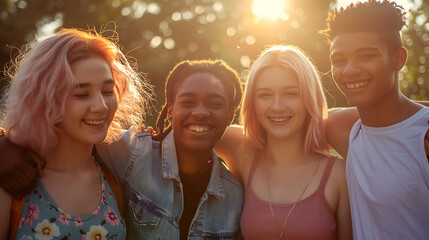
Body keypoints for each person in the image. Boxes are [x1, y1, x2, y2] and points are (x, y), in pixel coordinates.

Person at [0, 28, 152, 240]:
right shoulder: (11, 183)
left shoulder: (115, 179)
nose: (101, 106)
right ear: (43, 99)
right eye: (81, 94)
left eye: (108, 91)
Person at [88, 59, 245, 239]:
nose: (200, 112)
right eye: (188, 102)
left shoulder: (236, 197)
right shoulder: (132, 152)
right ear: (170, 109)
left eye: (215, 104)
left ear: (230, 114)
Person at [215, 45, 352, 239]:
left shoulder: (339, 174)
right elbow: (191, 131)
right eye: (265, 95)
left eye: (291, 93)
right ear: (253, 102)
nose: (277, 106)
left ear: (309, 98)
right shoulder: (241, 151)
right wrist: (155, 136)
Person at [319, 0, 429, 239]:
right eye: (339, 60)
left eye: (366, 56)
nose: (349, 71)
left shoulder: (424, 135)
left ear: (398, 59)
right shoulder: (342, 128)